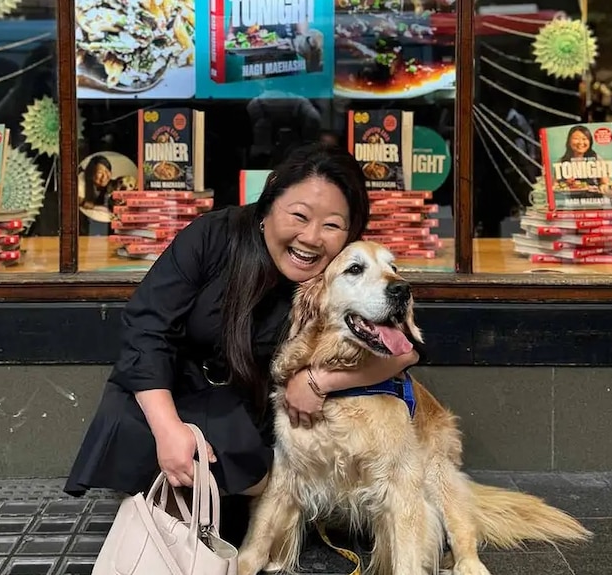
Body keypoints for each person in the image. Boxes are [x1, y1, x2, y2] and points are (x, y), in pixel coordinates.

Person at [63, 142, 420, 537]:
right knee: (138, 429)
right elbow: (147, 328)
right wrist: (168, 430)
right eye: (299, 215)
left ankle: (207, 509)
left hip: (247, 407)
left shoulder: (340, 276)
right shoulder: (212, 236)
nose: (312, 237)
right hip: (170, 385)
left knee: (252, 480)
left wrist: (319, 382)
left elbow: (406, 352)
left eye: (332, 225)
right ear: (269, 205)